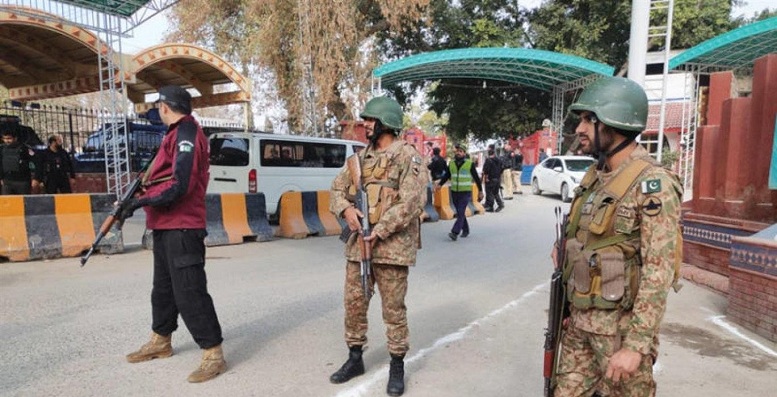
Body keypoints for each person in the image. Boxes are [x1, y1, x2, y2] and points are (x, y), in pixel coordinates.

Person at [553, 76, 682, 396]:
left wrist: (636, 346)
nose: (580, 129)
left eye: (589, 120)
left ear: (615, 123)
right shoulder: (593, 177)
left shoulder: (653, 183)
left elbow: (658, 271)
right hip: (580, 323)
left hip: (620, 334)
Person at [119, 85, 227, 383]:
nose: (157, 111)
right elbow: (161, 179)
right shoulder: (173, 135)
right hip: (165, 225)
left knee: (190, 290)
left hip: (183, 225)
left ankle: (213, 353)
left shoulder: (187, 135)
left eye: (158, 107)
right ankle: (160, 341)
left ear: (165, 107)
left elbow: (181, 185)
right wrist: (139, 196)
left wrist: (140, 202)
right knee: (163, 289)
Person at [329, 96, 428, 397]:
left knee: (393, 309)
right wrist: (346, 210)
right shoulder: (359, 160)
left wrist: (380, 230)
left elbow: (412, 202)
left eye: (371, 120)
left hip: (392, 248)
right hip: (359, 247)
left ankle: (396, 364)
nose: (365, 125)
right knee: (354, 303)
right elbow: (336, 189)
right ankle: (355, 357)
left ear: (387, 122)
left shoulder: (407, 156)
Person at [437, 144, 482, 241]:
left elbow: (477, 179)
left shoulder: (470, 164)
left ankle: (455, 232)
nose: (458, 153)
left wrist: (480, 191)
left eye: (460, 151)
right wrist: (440, 184)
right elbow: (447, 175)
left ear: (464, 153)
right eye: (457, 151)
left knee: (461, 211)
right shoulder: (452, 164)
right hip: (454, 191)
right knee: (460, 212)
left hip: (465, 192)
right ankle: (465, 230)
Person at [0, 129, 40, 195]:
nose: (7, 141)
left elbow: (37, 162)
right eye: (4, 138)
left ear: (15, 138)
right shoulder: (2, 149)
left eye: (9, 138)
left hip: (22, 181)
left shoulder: (24, 148)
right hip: (7, 182)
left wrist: (36, 178)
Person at [481, 146, 504, 212]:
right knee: (495, 192)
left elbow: (486, 170)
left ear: (488, 154)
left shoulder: (488, 160)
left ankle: (490, 207)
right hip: (497, 178)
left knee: (489, 192)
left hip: (490, 179)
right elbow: (502, 168)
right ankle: (500, 204)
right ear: (494, 153)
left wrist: (486, 178)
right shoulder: (499, 160)